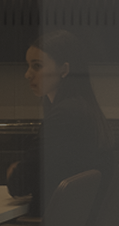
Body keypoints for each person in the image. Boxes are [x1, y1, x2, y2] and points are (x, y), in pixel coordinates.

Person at [23, 29, 112, 215]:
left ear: (64, 69)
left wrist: (15, 171)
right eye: (28, 66)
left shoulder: (64, 117)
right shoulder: (84, 110)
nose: (28, 74)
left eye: (37, 66)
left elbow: (21, 181)